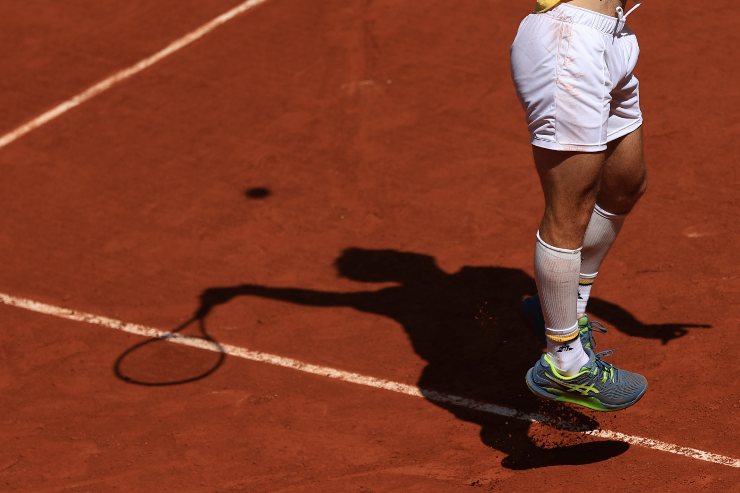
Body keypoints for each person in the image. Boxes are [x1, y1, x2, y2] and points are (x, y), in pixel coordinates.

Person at [510, 0, 648, 410]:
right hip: (570, 46)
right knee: (570, 208)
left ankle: (569, 308)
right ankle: (565, 362)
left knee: (625, 184)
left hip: (614, 36)